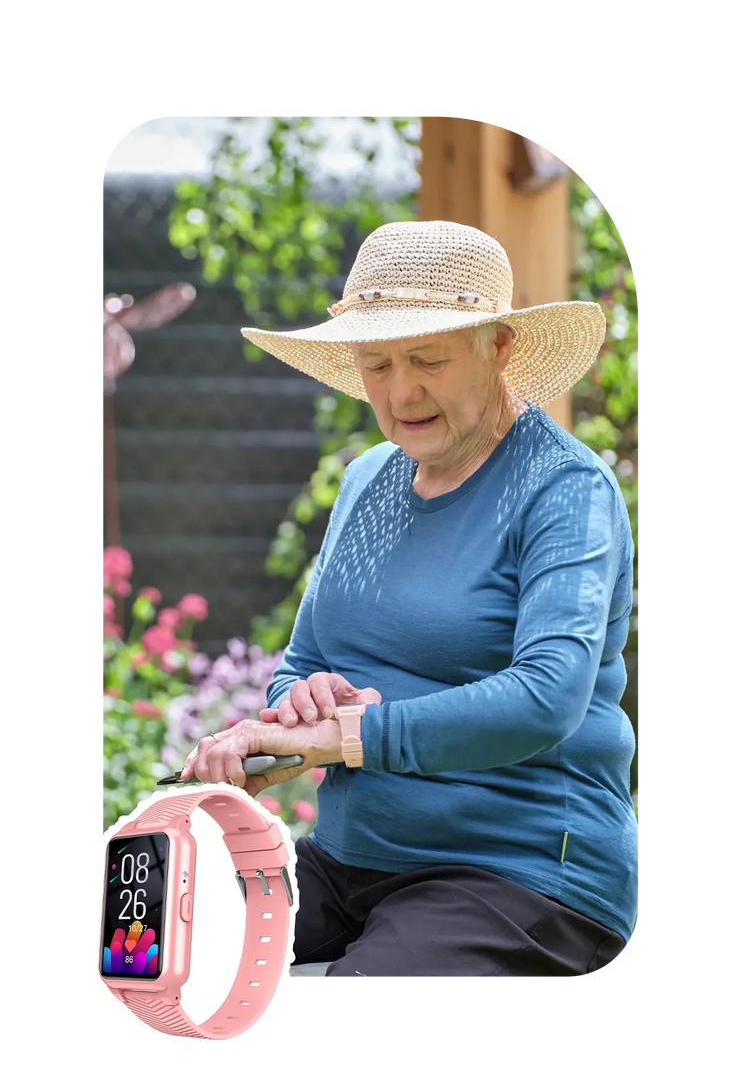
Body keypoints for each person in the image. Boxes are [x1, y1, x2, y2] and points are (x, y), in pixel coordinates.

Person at [179, 220, 639, 980]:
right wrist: (293, 717)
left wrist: (347, 739)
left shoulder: (565, 490)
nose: (401, 391)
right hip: (350, 862)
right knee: (164, 949)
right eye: (377, 363)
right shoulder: (366, 480)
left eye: (427, 358)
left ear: (500, 348)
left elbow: (547, 699)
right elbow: (303, 664)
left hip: (519, 876)